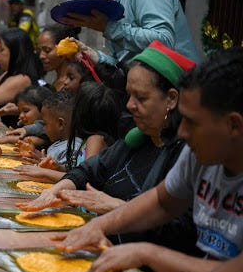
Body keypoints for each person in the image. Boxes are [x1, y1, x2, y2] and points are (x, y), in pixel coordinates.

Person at [56, 47, 243, 272]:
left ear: (233, 125)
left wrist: (148, 254)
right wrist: (99, 226)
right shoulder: (199, 154)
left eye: (192, 122)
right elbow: (162, 202)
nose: (181, 133)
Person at [19, 41, 201, 257]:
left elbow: (181, 234)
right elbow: (88, 170)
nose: (129, 105)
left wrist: (116, 206)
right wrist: (54, 190)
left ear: (171, 99)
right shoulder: (133, 143)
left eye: (141, 98)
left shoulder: (188, 155)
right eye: (129, 95)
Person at [16, 82, 125, 182]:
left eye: (77, 105)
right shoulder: (90, 139)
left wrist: (44, 172)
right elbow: (76, 172)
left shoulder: (96, 139)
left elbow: (84, 178)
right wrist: (58, 168)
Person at [63, 0, 199, 64]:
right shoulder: (115, 4)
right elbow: (126, 63)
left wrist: (107, 27)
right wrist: (96, 57)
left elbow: (163, 42)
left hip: (181, 91)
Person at [37, 24, 81, 90]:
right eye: (39, 51)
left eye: (47, 50)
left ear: (64, 49)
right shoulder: (56, 82)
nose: (41, 56)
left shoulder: (75, 84)